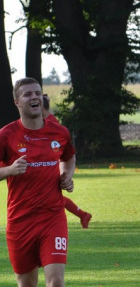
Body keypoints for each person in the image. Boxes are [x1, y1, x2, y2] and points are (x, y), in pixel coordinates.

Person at [0, 78, 77, 287]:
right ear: (17, 102)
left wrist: (66, 175)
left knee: (56, 282)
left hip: (52, 217)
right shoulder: (7, 135)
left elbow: (68, 157)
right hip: (20, 223)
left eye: (38, 94)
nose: (34, 98)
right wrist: (9, 169)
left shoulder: (59, 132)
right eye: (27, 94)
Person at [40, 95, 91, 228]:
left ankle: (83, 215)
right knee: (51, 200)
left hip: (51, 167)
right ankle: (83, 215)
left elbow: (63, 152)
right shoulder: (46, 121)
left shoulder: (52, 124)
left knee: (53, 200)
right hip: (46, 167)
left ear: (41, 107)